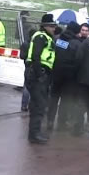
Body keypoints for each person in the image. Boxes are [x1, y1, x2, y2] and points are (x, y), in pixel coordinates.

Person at [26, 14, 58, 144]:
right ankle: (34, 134)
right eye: (51, 26)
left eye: (54, 26)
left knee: (38, 105)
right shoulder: (41, 37)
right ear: (44, 26)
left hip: (40, 74)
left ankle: (34, 132)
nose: (54, 28)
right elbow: (36, 56)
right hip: (38, 74)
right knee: (39, 105)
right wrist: (40, 74)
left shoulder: (46, 37)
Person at [48, 22, 84, 134]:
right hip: (69, 77)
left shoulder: (57, 39)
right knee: (64, 100)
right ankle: (61, 123)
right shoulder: (76, 44)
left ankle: (49, 120)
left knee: (53, 98)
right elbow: (79, 60)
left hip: (55, 73)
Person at [19, 28, 36, 112]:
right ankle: (31, 105)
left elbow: (21, 56)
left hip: (27, 66)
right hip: (35, 66)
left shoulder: (25, 43)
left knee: (26, 86)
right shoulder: (36, 44)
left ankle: (24, 105)